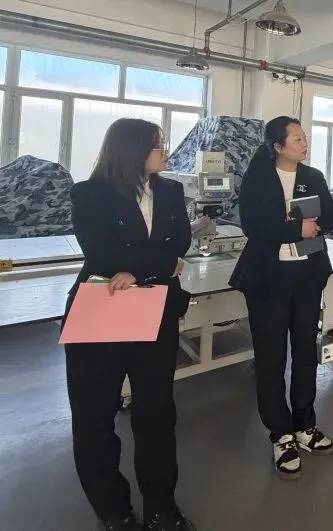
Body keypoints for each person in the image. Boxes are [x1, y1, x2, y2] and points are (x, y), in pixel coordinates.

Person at [64, 118, 195, 531]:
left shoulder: (170, 191)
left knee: (156, 414)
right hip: (101, 310)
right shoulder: (89, 194)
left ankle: (161, 507)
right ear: (132, 149)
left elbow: (182, 243)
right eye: (158, 145)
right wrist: (158, 265)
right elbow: (101, 253)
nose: (165, 152)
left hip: (155, 311)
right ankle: (113, 510)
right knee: (94, 417)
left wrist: (135, 270)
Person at [229, 116, 333, 480]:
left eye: (304, 137)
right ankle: (281, 433)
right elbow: (252, 225)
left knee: (306, 352)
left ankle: (305, 424)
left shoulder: (313, 177)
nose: (303, 142)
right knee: (271, 357)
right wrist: (296, 227)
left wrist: (317, 224)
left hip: (306, 275)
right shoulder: (259, 178)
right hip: (268, 279)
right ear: (277, 145)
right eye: (296, 138)